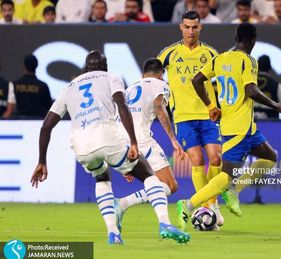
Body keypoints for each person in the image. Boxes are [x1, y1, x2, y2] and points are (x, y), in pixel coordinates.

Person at [30, 51, 190, 244]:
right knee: (148, 174)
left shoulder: (69, 87)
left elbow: (46, 126)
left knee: (101, 177)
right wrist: (132, 142)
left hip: (80, 145)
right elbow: (122, 105)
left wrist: (41, 161)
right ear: (105, 66)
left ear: (85, 67)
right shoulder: (111, 77)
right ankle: (164, 223)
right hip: (108, 137)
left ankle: (112, 233)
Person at [176, 23, 281, 230]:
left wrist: (211, 106)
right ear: (253, 41)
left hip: (239, 125)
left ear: (235, 36)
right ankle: (188, 204)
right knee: (226, 175)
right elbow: (251, 91)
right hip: (240, 127)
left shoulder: (219, 58)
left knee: (270, 157)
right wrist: (276, 105)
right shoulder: (248, 61)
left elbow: (196, 80)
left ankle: (233, 190)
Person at [157, 11, 224, 227]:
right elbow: (152, 75)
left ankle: (211, 205)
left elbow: (224, 81)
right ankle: (208, 206)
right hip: (184, 117)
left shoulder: (211, 53)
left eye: (194, 27)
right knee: (197, 160)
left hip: (207, 114)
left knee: (216, 159)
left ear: (200, 27)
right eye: (187, 27)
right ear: (181, 27)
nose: (191, 31)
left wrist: (220, 107)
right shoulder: (169, 53)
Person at [115, 58, 185, 228]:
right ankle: (122, 203)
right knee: (170, 185)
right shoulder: (160, 85)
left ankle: (121, 204)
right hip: (140, 140)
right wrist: (173, 139)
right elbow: (159, 108)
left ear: (142, 74)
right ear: (162, 74)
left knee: (157, 182)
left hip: (119, 141)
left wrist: (121, 159)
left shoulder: (129, 88)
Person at [254, 55, 281, 119]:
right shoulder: (276, 85)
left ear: (257, 67)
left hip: (250, 123)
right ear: (270, 68)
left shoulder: (249, 84)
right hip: (270, 124)